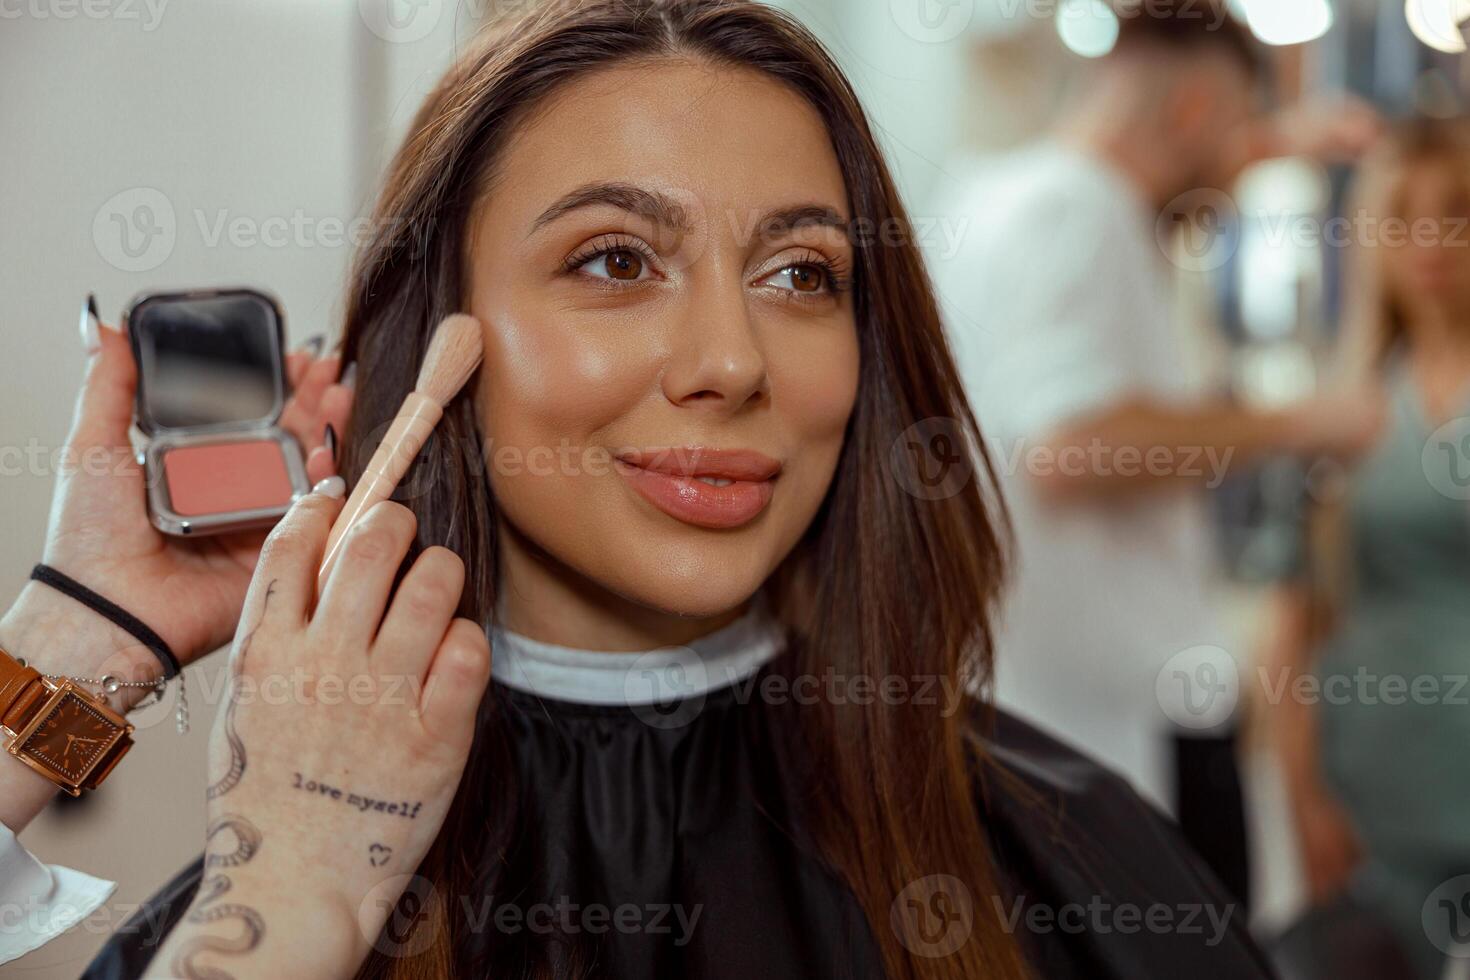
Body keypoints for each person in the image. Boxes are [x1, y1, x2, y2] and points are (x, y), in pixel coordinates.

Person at [0, 3, 1273, 978]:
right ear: (436, 328)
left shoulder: (1079, 859)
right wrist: (76, 636)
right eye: (615, 258)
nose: (731, 361)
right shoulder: (282, 869)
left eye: (800, 274)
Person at [926, 0, 1383, 815]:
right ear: (1195, 110)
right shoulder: (1082, 209)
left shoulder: (988, 195)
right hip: (1121, 727)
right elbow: (1070, 448)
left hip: (1028, 711)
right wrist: (1301, 422)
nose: (1245, 161)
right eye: (1244, 125)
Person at [1264, 118, 1470, 979]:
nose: (1429, 241)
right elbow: (1288, 629)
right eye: (1403, 216)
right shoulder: (1339, 418)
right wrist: (1304, 798)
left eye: (1455, 212)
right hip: (1376, 789)